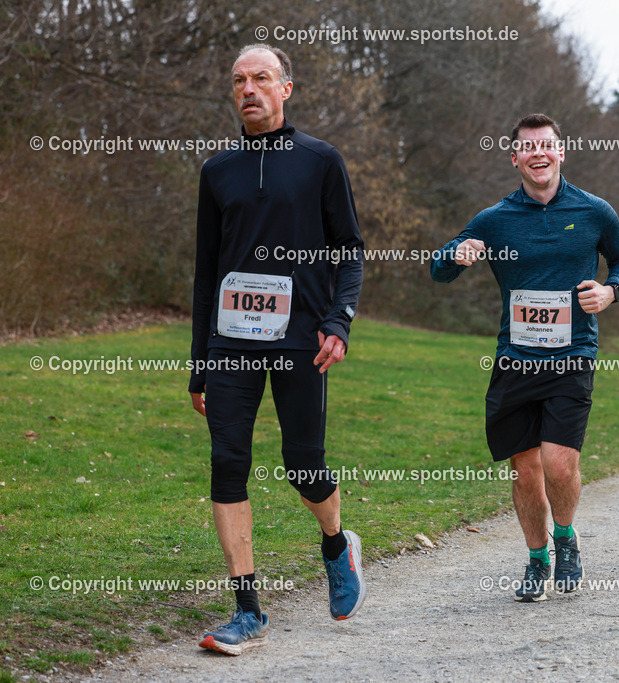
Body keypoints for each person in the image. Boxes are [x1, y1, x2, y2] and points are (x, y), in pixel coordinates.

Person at [188, 44, 366, 655]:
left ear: (286, 88)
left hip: (301, 341)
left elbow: (349, 248)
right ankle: (247, 609)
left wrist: (339, 321)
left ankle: (336, 544)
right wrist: (199, 362)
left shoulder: (320, 160)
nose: (248, 88)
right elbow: (206, 274)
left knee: (303, 467)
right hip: (230, 341)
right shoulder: (217, 170)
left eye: (261, 78)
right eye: (238, 80)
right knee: (227, 461)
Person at [430, 113, 619, 602]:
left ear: (561, 152)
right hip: (516, 357)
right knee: (525, 469)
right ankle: (536, 558)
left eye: (547, 145)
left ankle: (566, 539)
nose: (538, 154)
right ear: (515, 157)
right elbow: (439, 269)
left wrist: (610, 292)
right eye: (528, 147)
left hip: (573, 353)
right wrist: (456, 255)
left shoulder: (594, 211)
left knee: (559, 465)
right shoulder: (496, 218)